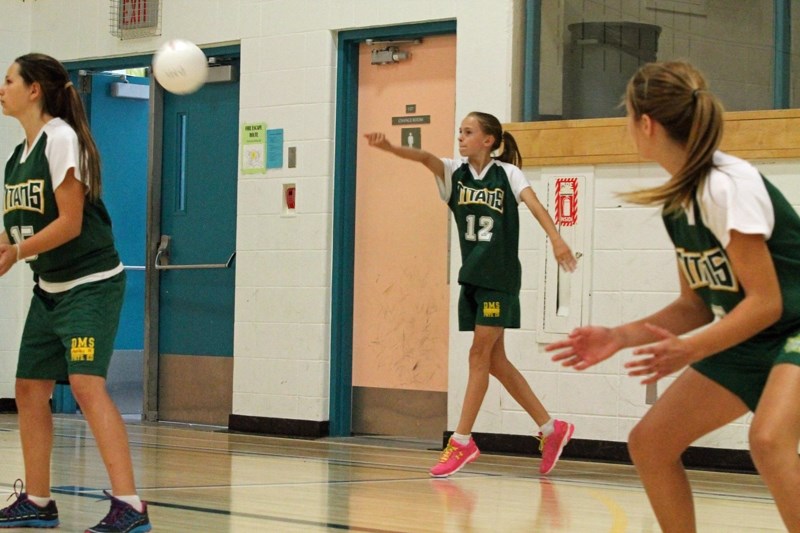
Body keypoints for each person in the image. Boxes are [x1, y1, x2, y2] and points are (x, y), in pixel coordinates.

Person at [547, 61, 800, 533]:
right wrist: (618, 335)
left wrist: (693, 348)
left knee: (768, 441)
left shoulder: (729, 186)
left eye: (626, 117)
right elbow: (697, 304)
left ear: (646, 124)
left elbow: (768, 301)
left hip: (792, 324)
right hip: (754, 332)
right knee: (651, 442)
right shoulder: (678, 199)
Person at [365, 111, 578, 478]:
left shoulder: (507, 174)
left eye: (468, 132)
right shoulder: (454, 174)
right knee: (495, 362)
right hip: (474, 278)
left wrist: (556, 238)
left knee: (478, 355)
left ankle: (462, 441)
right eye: (459, 131)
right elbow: (425, 159)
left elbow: (536, 205)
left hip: (500, 277)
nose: (460, 138)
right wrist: (393, 148)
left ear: (489, 140)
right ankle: (550, 428)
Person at [0, 53, 151, 533]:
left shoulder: (61, 140)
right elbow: (19, 228)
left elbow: (69, 224)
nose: (0, 88)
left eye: (8, 80)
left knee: (86, 386)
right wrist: (7, 251)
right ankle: (39, 501)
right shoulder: (16, 158)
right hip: (49, 289)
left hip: (90, 286)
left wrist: (17, 251)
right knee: (28, 389)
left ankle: (130, 505)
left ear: (34, 90)